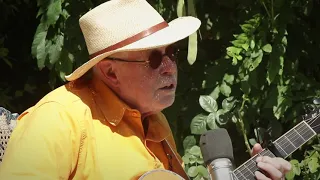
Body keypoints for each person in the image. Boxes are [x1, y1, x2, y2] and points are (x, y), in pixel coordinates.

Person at [0, 0, 291, 179]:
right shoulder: (59, 119)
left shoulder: (156, 123)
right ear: (110, 71)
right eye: (153, 58)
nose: (169, 67)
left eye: (171, 53)